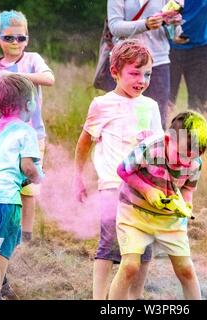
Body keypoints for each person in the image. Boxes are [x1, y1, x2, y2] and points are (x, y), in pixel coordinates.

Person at [73, 39, 164, 299]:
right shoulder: (102, 104)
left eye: (147, 74)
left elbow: (159, 150)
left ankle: (134, 297)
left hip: (145, 190)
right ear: (115, 72)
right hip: (113, 186)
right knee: (109, 243)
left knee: (143, 247)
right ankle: (100, 298)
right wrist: (77, 177)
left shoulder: (151, 106)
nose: (141, 80)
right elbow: (85, 143)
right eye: (134, 73)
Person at [109, 111, 207, 300]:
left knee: (186, 269)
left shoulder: (194, 162)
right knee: (130, 266)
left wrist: (186, 207)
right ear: (167, 139)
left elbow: (188, 189)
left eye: (191, 157)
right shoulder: (150, 148)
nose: (184, 162)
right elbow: (122, 170)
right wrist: (148, 190)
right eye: (180, 155)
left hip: (169, 218)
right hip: (134, 213)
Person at [0, 10, 55, 243]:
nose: (16, 42)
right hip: (5, 136)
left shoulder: (32, 60)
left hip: (33, 135)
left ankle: (26, 235)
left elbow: (49, 79)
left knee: (29, 187)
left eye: (21, 38)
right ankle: (9, 229)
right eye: (9, 38)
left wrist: (21, 78)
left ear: (27, 39)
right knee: (10, 182)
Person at [0, 74, 43, 300]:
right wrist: (39, 177)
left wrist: (24, 179)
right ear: (30, 104)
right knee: (1, 247)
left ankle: (3, 287)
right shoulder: (26, 130)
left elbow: (0, 165)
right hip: (4, 198)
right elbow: (28, 167)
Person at [108, 0, 182, 128]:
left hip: (158, 62)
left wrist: (173, 23)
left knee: (158, 119)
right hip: (127, 62)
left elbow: (174, 33)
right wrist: (145, 24)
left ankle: (155, 147)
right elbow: (115, 27)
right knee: (125, 119)